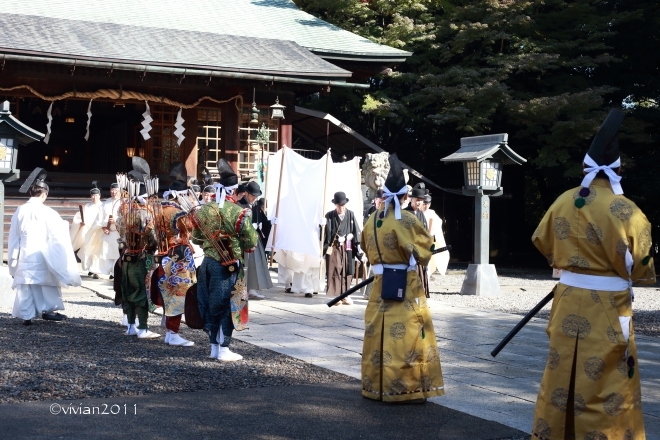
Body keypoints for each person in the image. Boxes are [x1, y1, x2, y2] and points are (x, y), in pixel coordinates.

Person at [530, 109, 655, 439]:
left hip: (568, 298)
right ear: (618, 168)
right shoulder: (626, 210)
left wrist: (568, 263)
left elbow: (541, 240)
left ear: (584, 166)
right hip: (609, 306)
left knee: (560, 373)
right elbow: (642, 268)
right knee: (608, 380)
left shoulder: (563, 201)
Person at [360, 154, 444, 402]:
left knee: (377, 334)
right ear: (406, 196)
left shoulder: (372, 220)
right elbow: (425, 252)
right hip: (405, 285)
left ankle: (374, 386)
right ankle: (404, 387)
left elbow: (365, 246)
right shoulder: (407, 220)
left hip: (378, 285)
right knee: (406, 335)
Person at [192, 159, 258, 361]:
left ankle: (214, 346)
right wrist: (244, 245)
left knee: (211, 303)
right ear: (235, 190)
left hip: (207, 264)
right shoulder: (239, 212)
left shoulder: (203, 209)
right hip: (228, 264)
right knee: (228, 304)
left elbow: (196, 238)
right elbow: (251, 241)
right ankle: (223, 348)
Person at [8, 168, 82, 325]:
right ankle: (48, 310)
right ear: (43, 194)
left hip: (24, 251)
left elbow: (14, 235)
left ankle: (26, 316)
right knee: (45, 282)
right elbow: (56, 235)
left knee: (26, 284)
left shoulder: (19, 210)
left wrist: (13, 256)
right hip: (41, 252)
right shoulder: (48, 212)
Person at [152, 162, 198, 346]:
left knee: (168, 289)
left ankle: (169, 325)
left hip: (164, 254)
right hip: (178, 255)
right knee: (178, 292)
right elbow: (191, 230)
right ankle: (172, 332)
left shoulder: (159, 209)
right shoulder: (179, 213)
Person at [116, 163, 161, 339]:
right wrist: (155, 248)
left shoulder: (124, 213)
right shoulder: (146, 214)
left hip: (127, 256)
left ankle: (130, 326)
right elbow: (154, 239)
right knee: (142, 292)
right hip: (142, 257)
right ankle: (143, 328)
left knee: (128, 290)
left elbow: (120, 236)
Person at [323, 191, 362, 303]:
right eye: (339, 206)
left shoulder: (350, 214)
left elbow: (356, 231)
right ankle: (337, 296)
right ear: (335, 205)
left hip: (347, 247)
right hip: (334, 247)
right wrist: (322, 226)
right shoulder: (329, 216)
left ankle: (345, 294)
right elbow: (325, 234)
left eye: (343, 206)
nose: (341, 208)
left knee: (346, 269)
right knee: (335, 269)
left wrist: (352, 236)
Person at [237, 181, 273, 299]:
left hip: (255, 239)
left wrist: (271, 223)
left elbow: (263, 220)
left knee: (255, 264)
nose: (254, 198)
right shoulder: (239, 204)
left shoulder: (256, 206)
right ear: (246, 193)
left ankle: (252, 289)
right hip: (243, 239)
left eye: (256, 196)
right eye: (252, 195)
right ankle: (242, 289)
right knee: (244, 264)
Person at [70, 182, 105, 279]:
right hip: (88, 231)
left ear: (99, 196)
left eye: (96, 195)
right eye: (92, 196)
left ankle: (95, 271)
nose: (94, 198)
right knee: (87, 250)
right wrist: (81, 222)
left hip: (98, 231)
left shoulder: (103, 206)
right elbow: (79, 217)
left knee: (96, 251)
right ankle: (90, 268)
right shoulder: (87, 206)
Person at [405, 183, 430, 296]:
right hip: (407, 251)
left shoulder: (421, 215)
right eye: (417, 200)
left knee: (419, 274)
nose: (419, 202)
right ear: (412, 200)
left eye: (421, 200)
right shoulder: (405, 213)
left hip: (418, 251)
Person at [421, 195, 449, 276]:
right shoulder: (416, 212)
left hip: (428, 241)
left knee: (428, 266)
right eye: (424, 203)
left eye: (428, 204)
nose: (426, 206)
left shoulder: (432, 213)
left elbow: (438, 225)